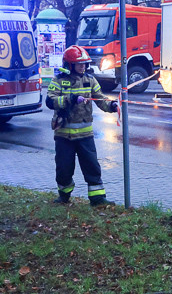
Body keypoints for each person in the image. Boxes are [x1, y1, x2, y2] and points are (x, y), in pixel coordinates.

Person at [47, 45, 119, 206]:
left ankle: (97, 198)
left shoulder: (90, 80)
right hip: (63, 135)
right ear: (69, 65)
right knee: (64, 168)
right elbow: (50, 101)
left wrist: (112, 105)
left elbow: (100, 98)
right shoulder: (58, 81)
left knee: (92, 166)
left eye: (85, 64)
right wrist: (70, 99)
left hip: (85, 135)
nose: (83, 66)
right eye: (79, 64)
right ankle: (64, 196)